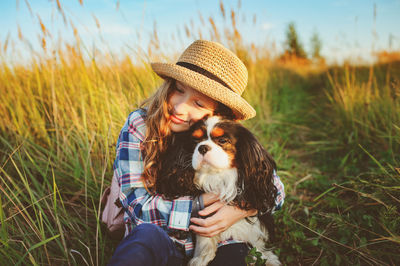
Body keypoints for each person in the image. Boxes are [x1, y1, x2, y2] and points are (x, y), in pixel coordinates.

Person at [108, 40, 285, 266]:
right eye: (178, 90)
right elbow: (138, 206)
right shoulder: (139, 125)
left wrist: (241, 209)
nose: (180, 108)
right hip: (161, 238)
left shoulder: (216, 136)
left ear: (218, 113)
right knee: (141, 244)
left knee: (233, 256)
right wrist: (201, 204)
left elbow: (275, 189)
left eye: (199, 103)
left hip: (222, 241)